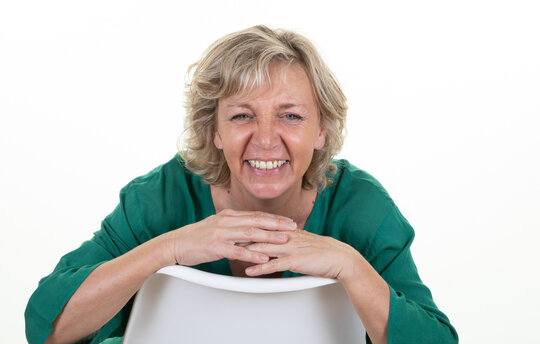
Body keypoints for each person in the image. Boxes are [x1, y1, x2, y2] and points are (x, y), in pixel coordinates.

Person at [25, 25, 458, 344]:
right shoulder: (158, 198)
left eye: (290, 115)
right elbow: (46, 329)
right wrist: (168, 250)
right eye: (241, 115)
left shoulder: (361, 206)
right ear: (213, 130)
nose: (266, 138)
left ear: (321, 130)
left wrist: (350, 266)